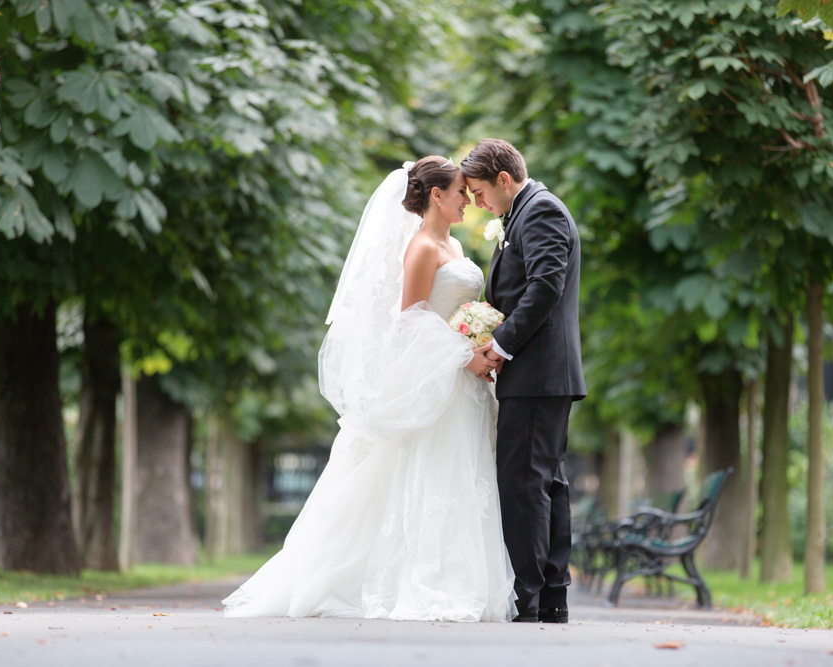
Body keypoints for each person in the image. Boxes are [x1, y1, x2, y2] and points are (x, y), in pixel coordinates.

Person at [222, 157, 516, 622]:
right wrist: (465, 353)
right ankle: (423, 582)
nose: (467, 200)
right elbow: (410, 321)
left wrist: (479, 339)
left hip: (463, 383)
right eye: (461, 192)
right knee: (428, 473)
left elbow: (455, 312)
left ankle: (460, 577)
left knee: (461, 477)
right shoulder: (421, 247)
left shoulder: (455, 247)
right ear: (436, 196)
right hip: (440, 375)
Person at [461, 139, 586, 624]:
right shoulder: (526, 213)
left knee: (524, 486)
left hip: (537, 373)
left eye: (478, 192)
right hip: (539, 374)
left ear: (504, 181)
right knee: (545, 483)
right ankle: (551, 597)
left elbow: (545, 286)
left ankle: (529, 599)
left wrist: (499, 346)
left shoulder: (541, 212)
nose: (476, 203)